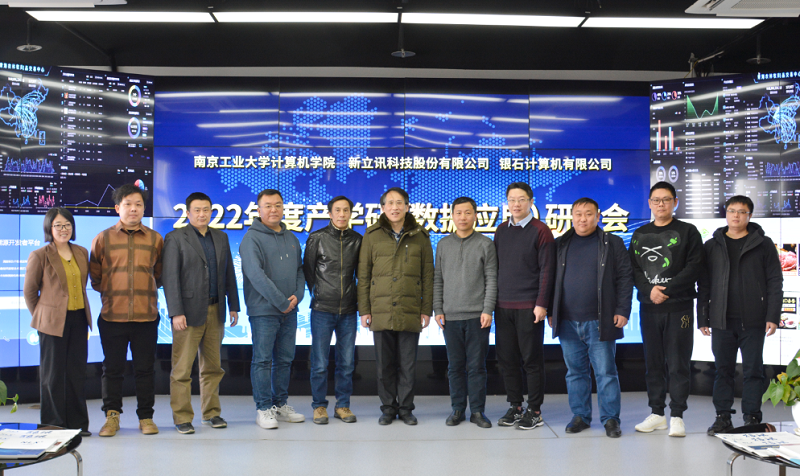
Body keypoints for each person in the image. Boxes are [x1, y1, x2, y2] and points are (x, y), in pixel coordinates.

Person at [548, 197, 633, 438]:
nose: (583, 218)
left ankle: (610, 419)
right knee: (575, 372)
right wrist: (552, 311)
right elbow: (550, 279)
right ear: (572, 216)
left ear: (598, 216)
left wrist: (622, 309)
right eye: (578, 214)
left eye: (588, 214)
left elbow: (625, 277)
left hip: (600, 320)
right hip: (567, 320)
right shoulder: (560, 243)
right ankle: (580, 416)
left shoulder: (612, 243)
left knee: (606, 372)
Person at [699, 195, 783, 434]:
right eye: (731, 210)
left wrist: (772, 315)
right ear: (726, 213)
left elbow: (774, 281)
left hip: (754, 320)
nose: (736, 215)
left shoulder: (763, 244)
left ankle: (752, 417)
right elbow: (704, 284)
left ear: (750, 215)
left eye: (741, 212)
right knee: (722, 370)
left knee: (753, 371)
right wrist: (703, 317)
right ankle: (722, 417)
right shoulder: (712, 245)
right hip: (721, 320)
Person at [162, 192, 240, 434]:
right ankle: (182, 417)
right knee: (182, 370)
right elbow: (170, 277)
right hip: (187, 312)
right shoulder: (175, 238)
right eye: (197, 210)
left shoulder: (221, 237)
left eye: (206, 209)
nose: (202, 214)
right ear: (188, 213)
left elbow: (229, 273)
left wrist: (234, 305)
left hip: (216, 310)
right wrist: (176, 312)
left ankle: (212, 413)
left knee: (213, 367)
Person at [630, 181, 703, 437]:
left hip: (679, 308)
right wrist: (649, 291)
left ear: (675, 202)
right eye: (656, 200)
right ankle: (657, 413)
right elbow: (634, 269)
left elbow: (694, 267)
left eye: (666, 199)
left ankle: (678, 416)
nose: (661, 204)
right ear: (650, 203)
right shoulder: (639, 234)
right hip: (649, 308)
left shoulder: (688, 231)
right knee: (653, 363)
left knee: (678, 363)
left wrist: (666, 290)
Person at [90, 184, 163, 437]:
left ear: (144, 208)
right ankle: (112, 417)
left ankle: (146, 417)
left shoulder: (155, 239)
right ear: (117, 208)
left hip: (146, 316)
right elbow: (96, 277)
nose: (134, 209)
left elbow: (158, 275)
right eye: (128, 204)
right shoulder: (103, 238)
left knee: (145, 370)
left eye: (139, 204)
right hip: (112, 316)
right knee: (112, 370)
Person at [358, 187, 434, 425]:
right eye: (389, 203)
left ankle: (406, 409)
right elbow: (363, 275)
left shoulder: (420, 236)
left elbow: (428, 276)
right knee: (384, 365)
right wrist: (364, 310)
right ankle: (388, 408)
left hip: (410, 308)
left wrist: (426, 309)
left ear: (407, 207)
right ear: (382, 208)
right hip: (380, 309)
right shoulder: (371, 235)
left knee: (408, 365)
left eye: (399, 203)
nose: (394, 207)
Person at [240, 189, 306, 429]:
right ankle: (264, 408)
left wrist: (297, 296)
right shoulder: (251, 239)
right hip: (264, 312)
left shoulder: (292, 238)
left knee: (285, 360)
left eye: (278, 205)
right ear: (259, 210)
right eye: (268, 205)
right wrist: (281, 302)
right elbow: (256, 275)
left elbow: (300, 270)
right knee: (263, 360)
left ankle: (280, 405)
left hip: (290, 310)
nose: (273, 210)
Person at [24, 208, 92, 437]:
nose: (64, 229)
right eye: (58, 225)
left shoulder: (81, 252)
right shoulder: (40, 255)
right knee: (52, 375)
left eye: (67, 225)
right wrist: (43, 317)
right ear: (49, 228)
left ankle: (78, 424)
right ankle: (53, 424)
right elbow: (30, 292)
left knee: (76, 373)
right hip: (51, 322)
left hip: (78, 319)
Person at [493, 182, 555, 430]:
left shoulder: (541, 230)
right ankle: (515, 406)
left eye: (521, 199)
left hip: (530, 307)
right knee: (507, 360)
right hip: (503, 306)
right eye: (512, 199)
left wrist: (542, 304)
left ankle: (535, 410)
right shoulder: (501, 230)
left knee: (531, 360)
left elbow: (547, 271)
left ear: (531, 201)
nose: (516, 204)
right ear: (507, 202)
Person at [433, 196, 497, 429]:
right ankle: (457, 409)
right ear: (452, 216)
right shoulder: (443, 244)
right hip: (450, 316)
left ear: (475, 215)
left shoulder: (485, 244)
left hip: (478, 316)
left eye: (468, 212)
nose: (463, 217)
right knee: (455, 366)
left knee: (477, 367)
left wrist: (488, 309)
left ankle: (478, 411)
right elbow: (438, 279)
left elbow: (491, 279)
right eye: (458, 213)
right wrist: (438, 308)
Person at [303, 195, 362, 424]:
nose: (341, 214)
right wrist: (318, 293)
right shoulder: (317, 237)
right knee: (319, 363)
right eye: (337, 210)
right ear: (330, 213)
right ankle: (319, 406)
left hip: (348, 310)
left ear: (350, 213)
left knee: (346, 363)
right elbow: (309, 271)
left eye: (346, 210)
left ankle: (343, 406)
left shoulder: (357, 240)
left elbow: (361, 274)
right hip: (322, 309)